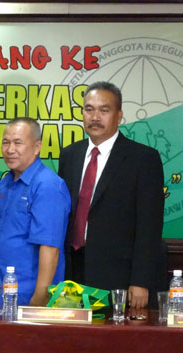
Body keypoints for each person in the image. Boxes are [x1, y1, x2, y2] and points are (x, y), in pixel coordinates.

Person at [59, 81, 164, 309]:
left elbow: (150, 225)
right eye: (89, 109)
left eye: (104, 110)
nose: (95, 117)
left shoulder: (143, 159)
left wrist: (140, 281)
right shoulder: (70, 155)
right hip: (72, 270)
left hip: (118, 277)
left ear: (119, 115)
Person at [0, 118, 70, 306]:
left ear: (37, 147)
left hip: (28, 295)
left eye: (18, 143)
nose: (10, 150)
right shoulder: (5, 182)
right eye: (5, 142)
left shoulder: (47, 185)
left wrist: (40, 298)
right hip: (0, 291)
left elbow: (50, 247)